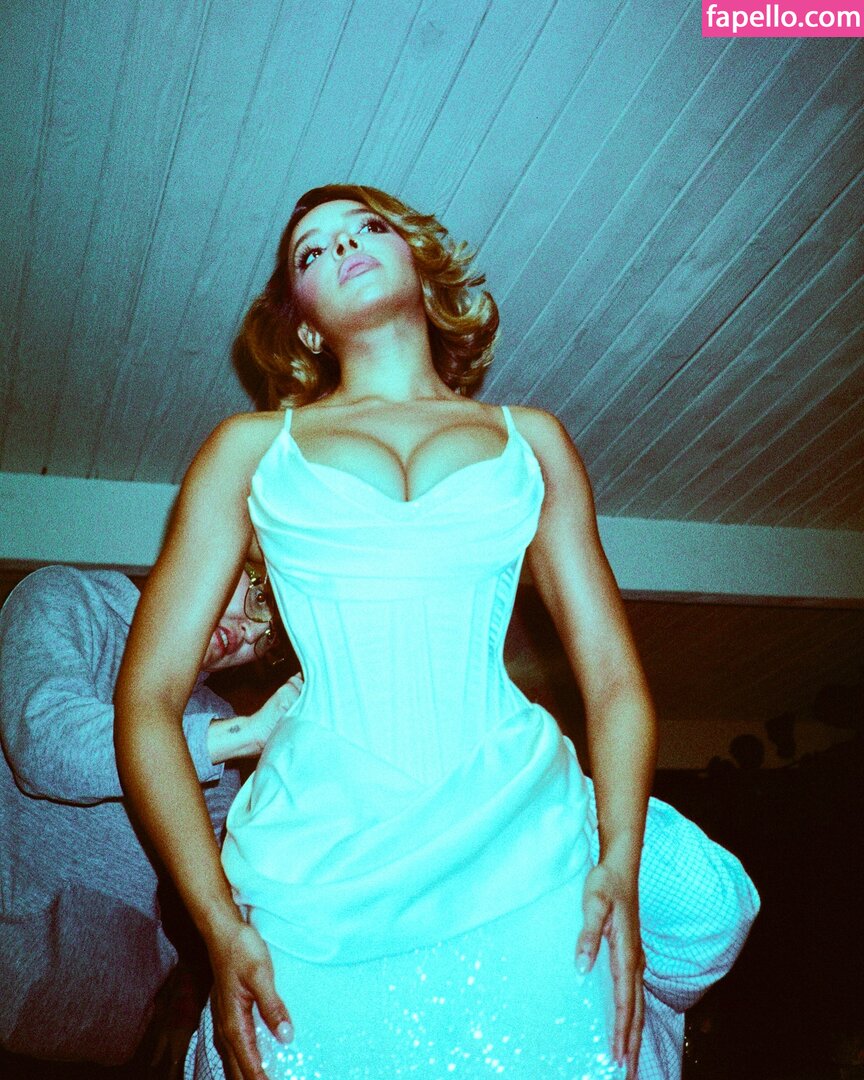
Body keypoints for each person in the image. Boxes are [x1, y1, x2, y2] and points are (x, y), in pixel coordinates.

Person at [113, 184, 751, 1080]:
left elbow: (613, 680)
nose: (342, 247)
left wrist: (616, 864)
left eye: (366, 227)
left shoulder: (535, 441)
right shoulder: (248, 452)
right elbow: (145, 701)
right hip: (321, 860)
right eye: (310, 252)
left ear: (418, 264)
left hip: (522, 832)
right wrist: (218, 925)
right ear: (303, 325)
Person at [0, 561, 300, 1066]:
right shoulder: (68, 598)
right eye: (259, 598)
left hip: (102, 1040)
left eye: (268, 638)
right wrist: (243, 735)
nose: (251, 633)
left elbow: (228, 887)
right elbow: (43, 740)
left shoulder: (214, 721)